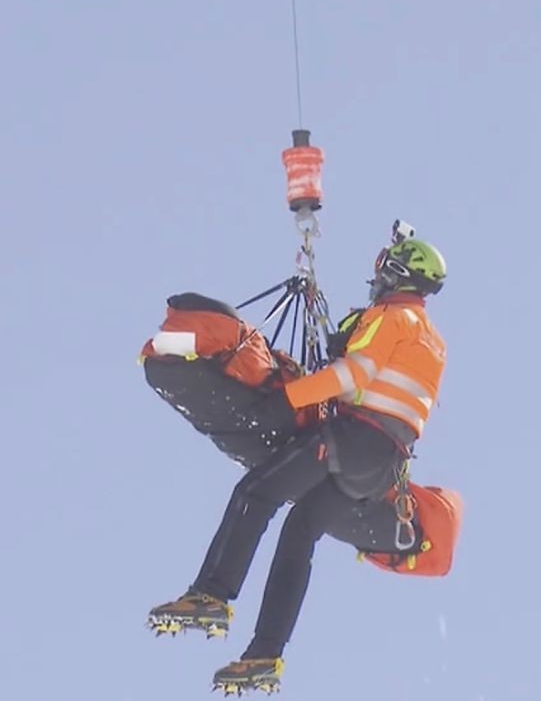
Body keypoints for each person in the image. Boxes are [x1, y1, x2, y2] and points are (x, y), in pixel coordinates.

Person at [146, 236, 450, 695]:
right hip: (382, 464)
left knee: (256, 492)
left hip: (353, 437)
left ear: (399, 272)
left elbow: (354, 376)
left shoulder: (392, 318)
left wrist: (287, 401)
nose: (377, 273)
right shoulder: (430, 336)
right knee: (299, 533)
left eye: (385, 264)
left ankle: (212, 595)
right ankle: (265, 655)